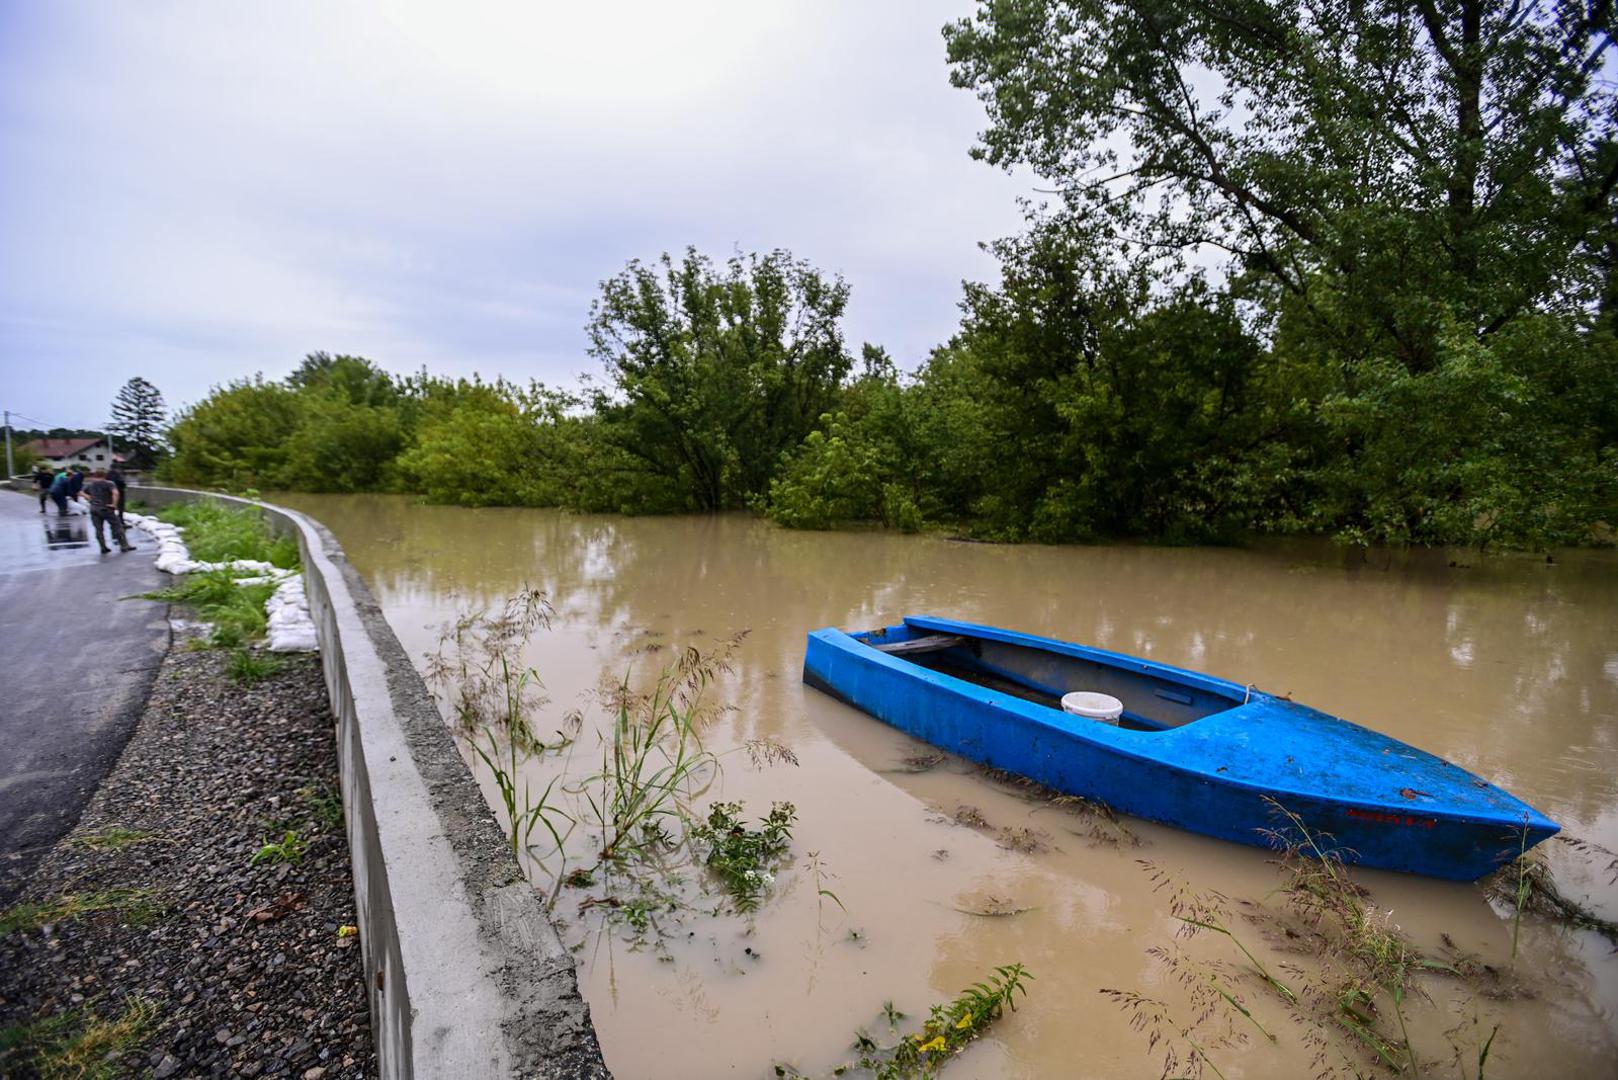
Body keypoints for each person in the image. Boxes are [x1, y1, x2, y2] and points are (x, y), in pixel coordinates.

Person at [82, 468, 133, 554]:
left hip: (94, 509)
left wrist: (89, 498)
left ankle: (103, 547)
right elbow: (115, 493)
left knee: (98, 529)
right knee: (117, 526)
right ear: (104, 475)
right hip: (106, 508)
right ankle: (124, 545)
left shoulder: (90, 484)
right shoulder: (109, 483)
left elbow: (81, 492)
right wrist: (114, 504)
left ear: (95, 475)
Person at [107, 462, 128, 530]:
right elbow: (122, 482)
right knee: (120, 508)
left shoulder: (108, 474)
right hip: (119, 492)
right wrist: (123, 486)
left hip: (109, 493)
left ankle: (113, 523)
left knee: (111, 508)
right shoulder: (118, 474)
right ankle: (121, 522)